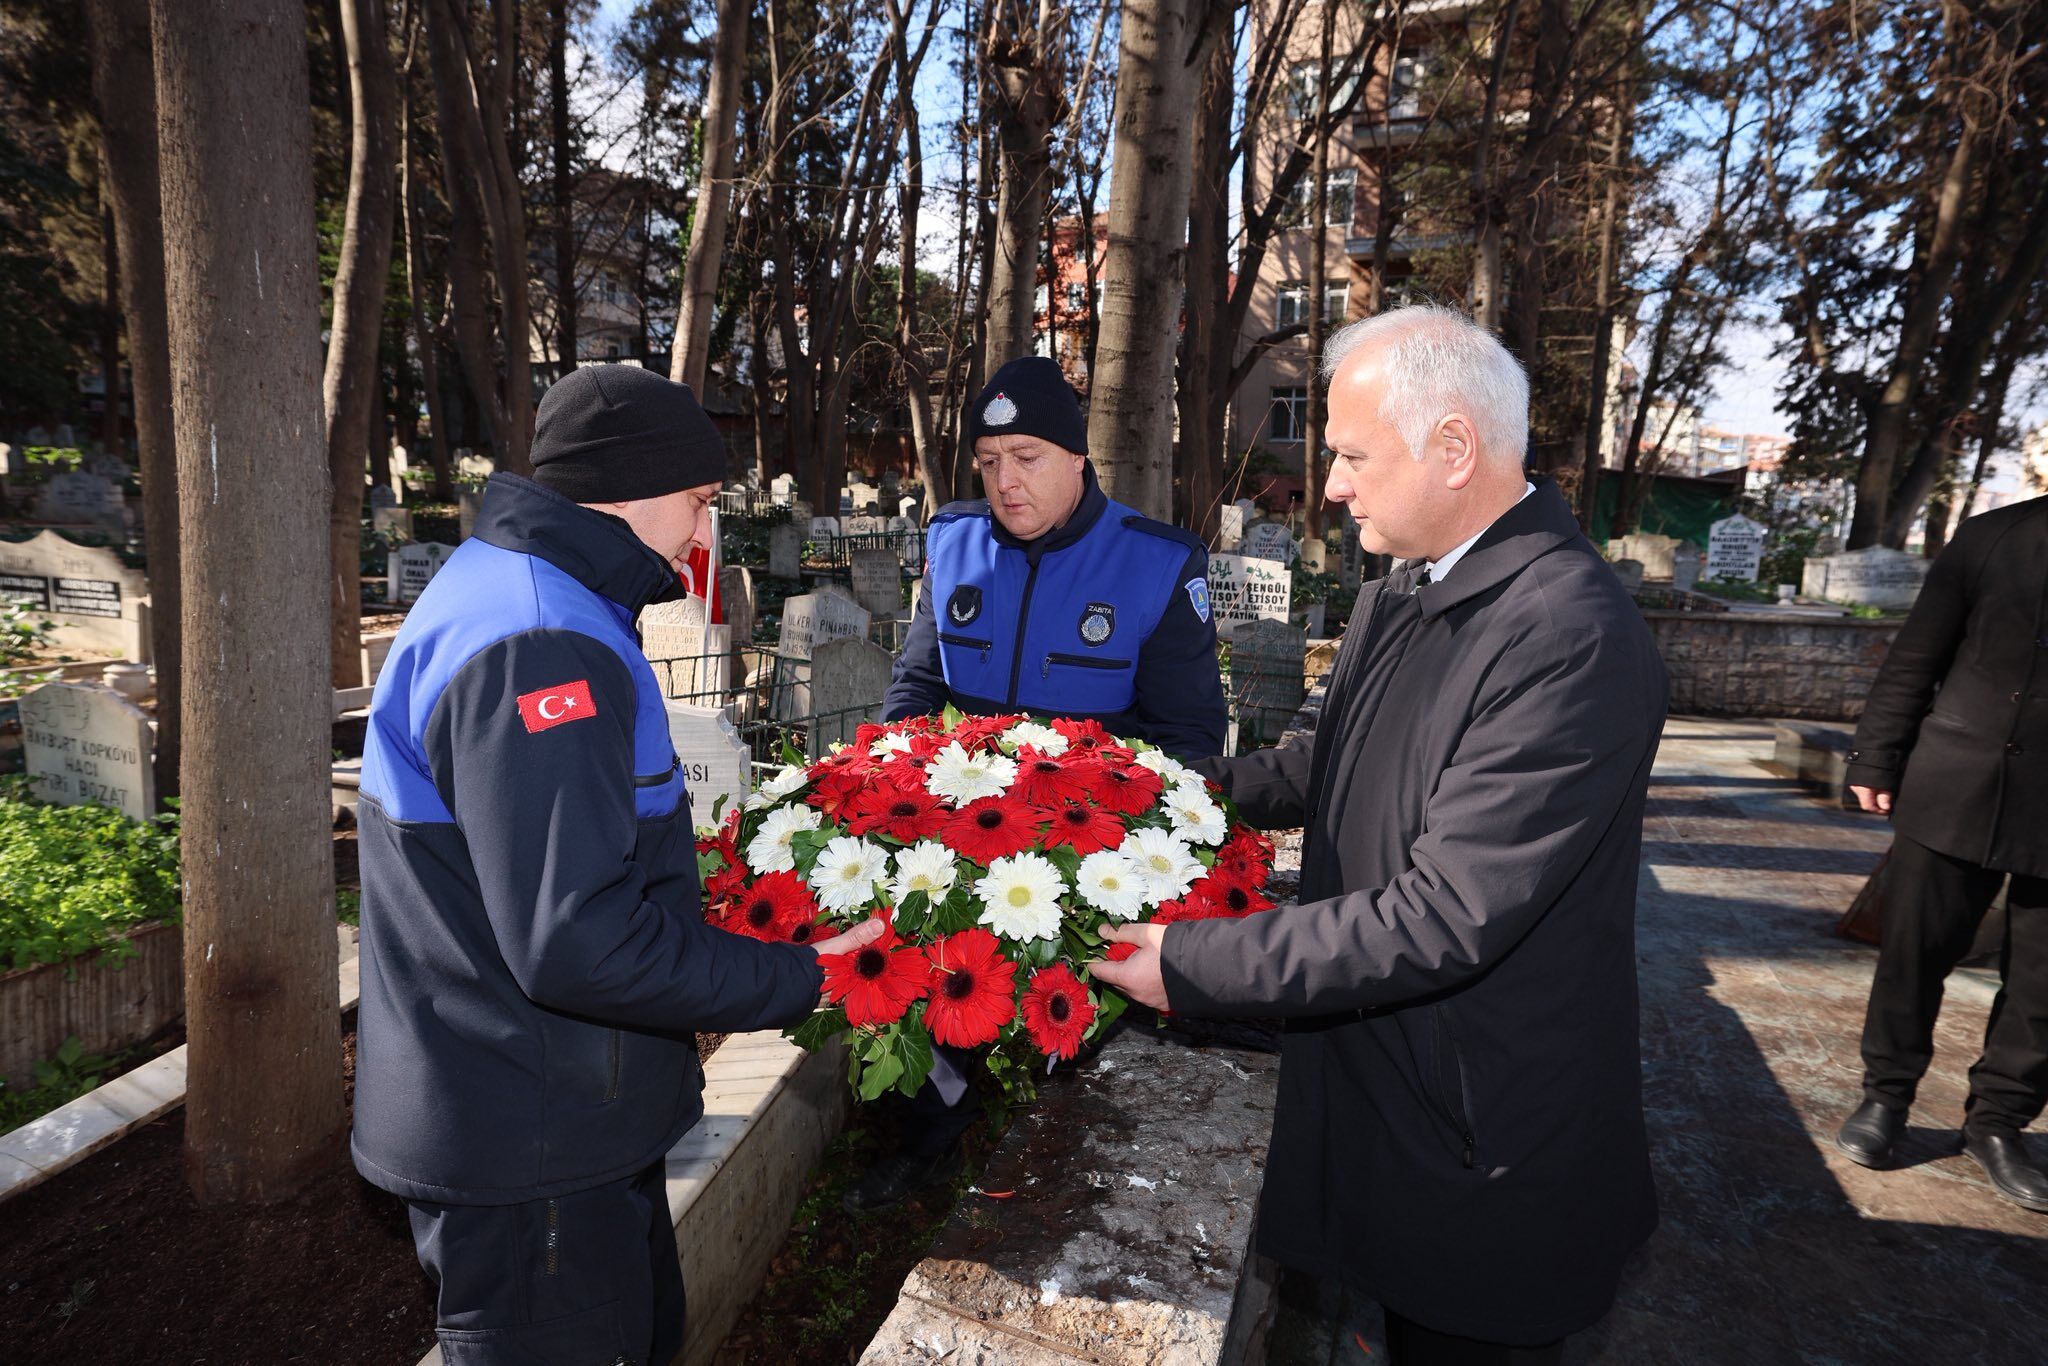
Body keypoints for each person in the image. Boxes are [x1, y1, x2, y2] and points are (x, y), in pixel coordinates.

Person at [1092, 305, 1664, 1364]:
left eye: (1352, 454)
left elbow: (1445, 912)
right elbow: (1322, 764)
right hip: (1401, 1090)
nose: (1334, 485)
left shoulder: (1564, 634)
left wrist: (1191, 958)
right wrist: (1143, 791)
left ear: (1453, 449)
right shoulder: (1407, 588)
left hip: (1484, 1131)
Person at [352, 364, 882, 1366]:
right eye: (697, 500)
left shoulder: (512, 586)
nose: (698, 529)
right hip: (534, 1142)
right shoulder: (545, 641)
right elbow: (575, 939)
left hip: (533, 1109)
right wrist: (797, 978)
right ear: (636, 486)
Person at [845, 355, 1229, 1214]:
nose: (1006, 483)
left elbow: (1191, 743)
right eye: (989, 462)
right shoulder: (954, 541)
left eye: (1027, 458)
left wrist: (1114, 847)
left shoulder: (1155, 563)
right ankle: (932, 1133)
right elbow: (916, 686)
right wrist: (893, 789)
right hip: (963, 829)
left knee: (1065, 1052)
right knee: (922, 989)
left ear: (1076, 459)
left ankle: (1060, 1161)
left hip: (1092, 843)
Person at [1834, 493, 2047, 1213]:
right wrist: (1873, 760)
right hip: (1958, 779)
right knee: (1913, 954)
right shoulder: (1996, 535)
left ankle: (1998, 1125)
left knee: (2044, 986)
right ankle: (1885, 1099)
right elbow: (1916, 655)